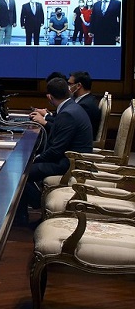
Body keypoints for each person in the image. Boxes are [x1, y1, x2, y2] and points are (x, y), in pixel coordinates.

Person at [19, 77, 94, 221]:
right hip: (70, 160)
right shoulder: (71, 107)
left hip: (70, 165)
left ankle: (36, 206)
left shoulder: (67, 114)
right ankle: (26, 212)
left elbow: (56, 151)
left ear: (49, 97)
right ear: (68, 91)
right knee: (26, 168)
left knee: (22, 172)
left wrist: (34, 159)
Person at [29, 71, 101, 139]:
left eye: (69, 84)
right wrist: (47, 115)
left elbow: (64, 128)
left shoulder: (85, 105)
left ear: (78, 85)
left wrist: (45, 120)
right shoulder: (81, 100)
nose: (67, 87)